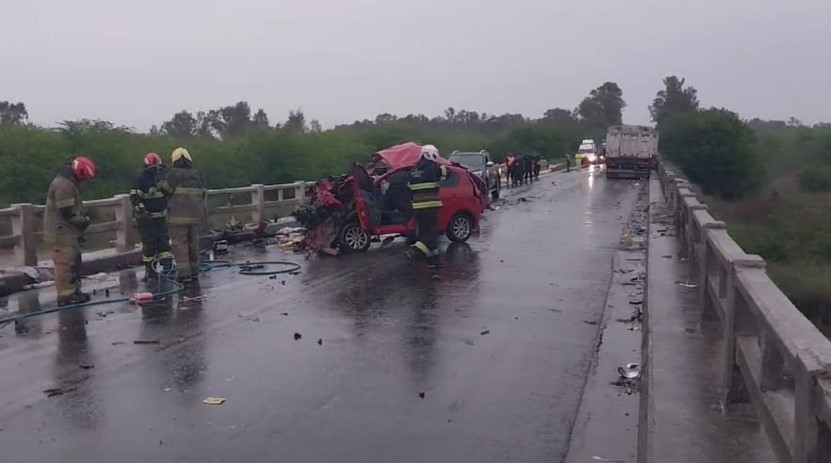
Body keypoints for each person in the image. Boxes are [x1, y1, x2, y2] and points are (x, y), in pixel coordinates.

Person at [44, 157, 96, 306]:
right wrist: (83, 221)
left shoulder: (69, 182)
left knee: (74, 263)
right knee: (65, 264)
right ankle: (65, 296)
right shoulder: (64, 185)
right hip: (61, 232)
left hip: (68, 232)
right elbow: (67, 212)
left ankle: (74, 292)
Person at [130, 152, 173, 281]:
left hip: (161, 219)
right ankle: (151, 272)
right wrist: (142, 212)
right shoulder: (141, 179)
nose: (155, 169)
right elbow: (135, 197)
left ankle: (168, 269)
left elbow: (170, 193)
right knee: (149, 247)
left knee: (164, 245)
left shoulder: (163, 178)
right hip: (146, 220)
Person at [166, 147, 207, 282]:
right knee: (193, 242)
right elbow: (203, 193)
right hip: (195, 216)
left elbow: (167, 190)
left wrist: (159, 180)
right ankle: (194, 270)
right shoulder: (197, 174)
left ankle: (184, 274)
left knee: (179, 243)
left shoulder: (173, 174)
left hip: (178, 217)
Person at [404, 145, 447, 267]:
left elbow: (408, 188)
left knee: (425, 234)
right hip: (431, 206)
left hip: (418, 208)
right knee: (431, 235)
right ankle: (413, 252)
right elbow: (446, 175)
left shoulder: (412, 171)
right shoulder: (435, 168)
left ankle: (433, 262)